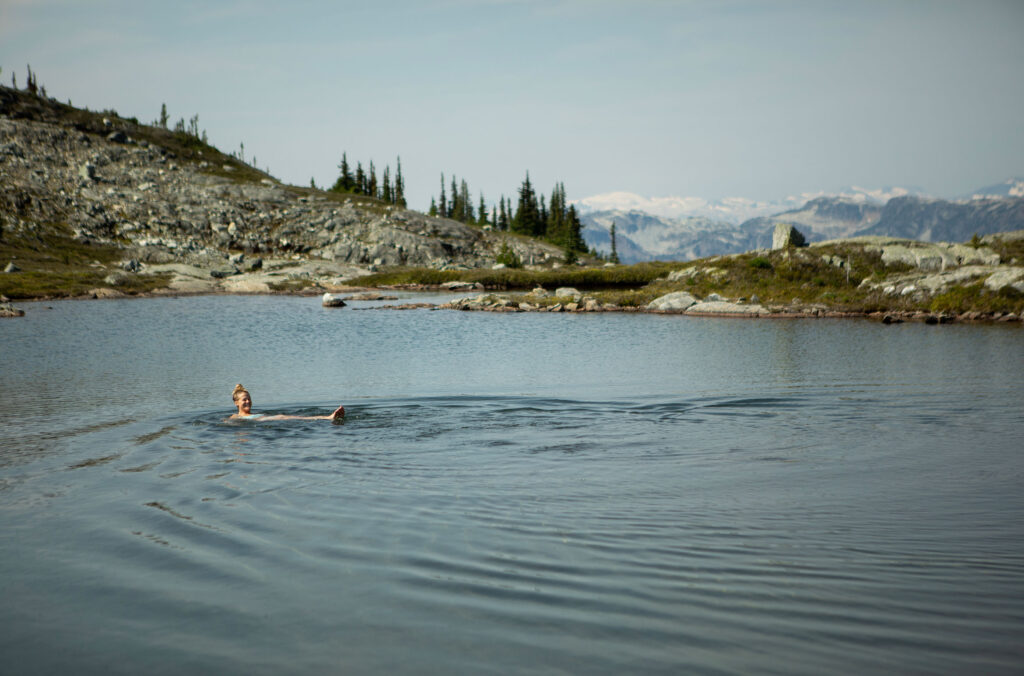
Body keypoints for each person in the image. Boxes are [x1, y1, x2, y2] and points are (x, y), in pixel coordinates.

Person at [228, 384, 345, 421]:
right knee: (286, 417)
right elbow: (228, 422)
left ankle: (328, 417)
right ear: (236, 403)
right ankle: (328, 417)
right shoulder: (235, 416)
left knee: (294, 417)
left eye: (249, 399)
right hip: (264, 421)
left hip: (266, 419)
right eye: (244, 399)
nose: (248, 401)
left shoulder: (254, 413)